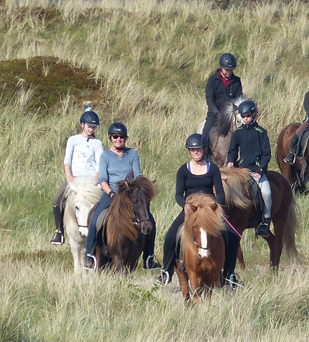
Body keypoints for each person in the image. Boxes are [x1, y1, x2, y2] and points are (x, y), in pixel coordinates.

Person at [156, 134, 242, 289]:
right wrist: (184, 205)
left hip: (209, 209)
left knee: (232, 236)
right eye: (192, 149)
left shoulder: (213, 168)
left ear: (203, 149)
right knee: (171, 235)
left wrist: (216, 205)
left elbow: (220, 192)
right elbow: (178, 194)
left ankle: (229, 274)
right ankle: (166, 271)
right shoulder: (183, 170)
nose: (196, 152)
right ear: (189, 151)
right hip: (191, 209)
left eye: (198, 149)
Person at [83, 122, 160, 270]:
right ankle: (89, 255)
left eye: (121, 137)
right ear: (111, 138)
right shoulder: (105, 156)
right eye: (115, 136)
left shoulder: (132, 154)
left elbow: (138, 176)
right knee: (95, 220)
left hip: (130, 195)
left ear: (125, 138)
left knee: (150, 221)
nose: (118, 139)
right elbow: (103, 180)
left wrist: (139, 188)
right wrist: (111, 193)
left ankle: (149, 257)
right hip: (111, 193)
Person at [50, 110, 103, 245]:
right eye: (89, 126)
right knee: (57, 200)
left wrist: (96, 178)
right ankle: (59, 231)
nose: (91, 129)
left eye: (93, 127)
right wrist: (69, 176)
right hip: (75, 179)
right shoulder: (73, 140)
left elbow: (99, 163)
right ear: (82, 125)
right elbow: (67, 159)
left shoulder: (97, 143)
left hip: (91, 180)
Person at [226, 100, 273, 237]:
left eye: (248, 116)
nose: (246, 119)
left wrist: (261, 170)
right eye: (243, 116)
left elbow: (266, 154)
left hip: (256, 170)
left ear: (253, 114)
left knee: (266, 193)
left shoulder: (261, 132)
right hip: (241, 170)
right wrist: (230, 161)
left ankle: (265, 221)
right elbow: (232, 150)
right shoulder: (237, 133)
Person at [201, 53, 243, 145]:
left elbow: (239, 98)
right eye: (227, 70)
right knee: (205, 134)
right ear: (221, 67)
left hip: (231, 114)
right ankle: (205, 150)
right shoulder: (212, 80)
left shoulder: (237, 81)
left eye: (231, 70)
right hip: (215, 114)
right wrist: (216, 112)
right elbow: (209, 99)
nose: (229, 72)